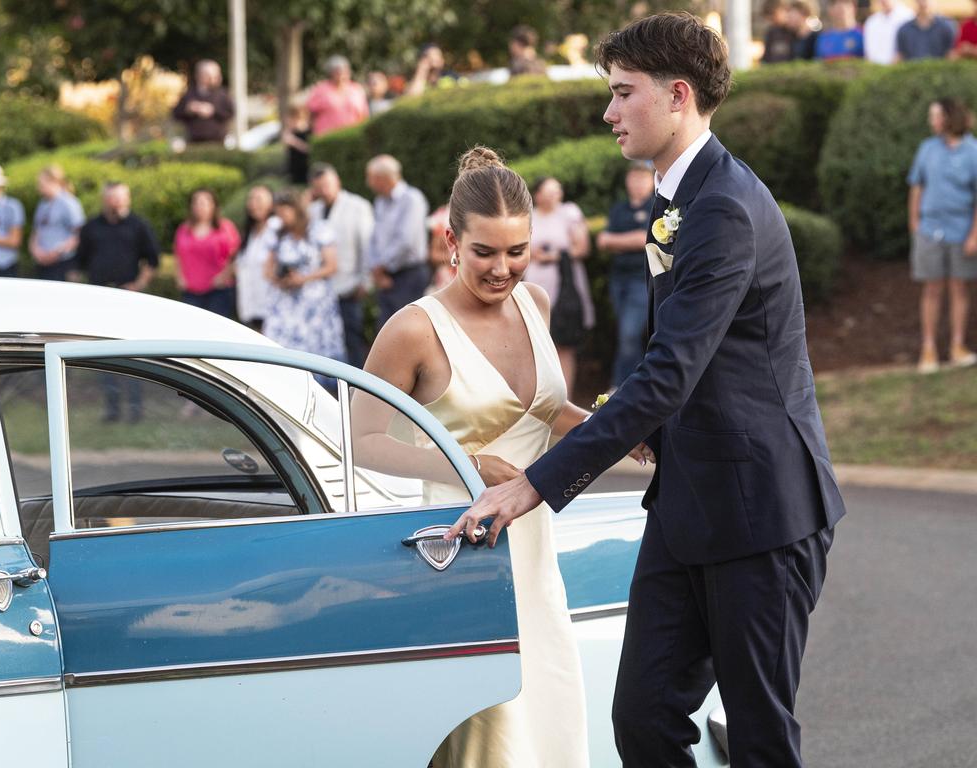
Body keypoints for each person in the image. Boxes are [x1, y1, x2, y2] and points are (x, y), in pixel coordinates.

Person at [455, 14, 846, 768]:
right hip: (689, 501)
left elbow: (672, 371)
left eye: (621, 93)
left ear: (677, 95)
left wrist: (534, 485)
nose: (608, 113)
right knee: (642, 718)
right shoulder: (678, 198)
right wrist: (648, 428)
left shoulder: (725, 207)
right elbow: (688, 366)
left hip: (762, 509)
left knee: (761, 741)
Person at [360, 146, 615, 768]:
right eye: (485, 252)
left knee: (550, 721)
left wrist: (615, 430)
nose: (503, 269)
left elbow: (542, 411)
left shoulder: (537, 305)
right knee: (491, 739)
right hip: (460, 554)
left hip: (535, 554)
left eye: (517, 251)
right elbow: (362, 440)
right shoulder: (414, 329)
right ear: (451, 240)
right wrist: (462, 464)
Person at [75, 182, 159, 422]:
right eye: (113, 198)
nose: (117, 203)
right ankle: (112, 409)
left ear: (128, 199)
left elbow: (152, 260)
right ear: (105, 200)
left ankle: (135, 409)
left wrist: (138, 285)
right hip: (99, 299)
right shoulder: (91, 227)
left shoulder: (138, 225)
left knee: (131, 353)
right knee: (103, 353)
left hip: (127, 298)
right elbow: (79, 264)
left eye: (121, 198)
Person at [907, 98, 977, 373]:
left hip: (961, 231)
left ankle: (958, 346)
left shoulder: (973, 151)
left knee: (960, 288)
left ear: (949, 118)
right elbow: (916, 187)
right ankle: (929, 348)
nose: (931, 120)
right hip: (929, 231)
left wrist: (974, 234)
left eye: (935, 115)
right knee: (932, 288)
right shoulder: (927, 149)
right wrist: (914, 224)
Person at [262, 191, 345, 380]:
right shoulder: (278, 234)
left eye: (285, 212)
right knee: (280, 344)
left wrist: (304, 278)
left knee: (315, 350)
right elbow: (267, 269)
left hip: (314, 303)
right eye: (278, 214)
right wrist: (280, 279)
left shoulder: (319, 230)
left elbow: (331, 266)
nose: (281, 217)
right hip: (285, 303)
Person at [527, 176, 595, 398]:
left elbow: (582, 247)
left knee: (564, 342)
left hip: (565, 283)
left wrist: (554, 256)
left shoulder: (569, 213)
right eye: (549, 192)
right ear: (537, 195)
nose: (555, 196)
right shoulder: (529, 216)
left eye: (557, 191)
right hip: (536, 282)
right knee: (536, 341)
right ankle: (539, 397)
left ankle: (564, 399)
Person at [308, 163, 374, 367]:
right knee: (324, 341)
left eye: (327, 185)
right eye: (319, 187)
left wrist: (366, 280)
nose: (324, 191)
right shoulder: (313, 210)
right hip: (320, 288)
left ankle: (358, 388)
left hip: (348, 284)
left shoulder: (358, 206)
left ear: (338, 182)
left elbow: (367, 245)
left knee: (352, 338)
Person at [598, 161, 655, 390]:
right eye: (634, 178)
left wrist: (619, 241)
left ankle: (622, 387)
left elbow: (646, 239)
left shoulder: (656, 206)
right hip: (618, 279)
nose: (638, 183)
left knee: (630, 335)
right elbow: (603, 241)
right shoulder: (619, 209)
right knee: (625, 335)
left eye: (643, 178)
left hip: (640, 280)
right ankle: (634, 386)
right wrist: (631, 240)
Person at [365, 154, 430, 328]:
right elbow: (375, 237)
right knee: (386, 329)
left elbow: (406, 240)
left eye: (370, 178)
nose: (368, 183)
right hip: (387, 275)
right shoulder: (380, 202)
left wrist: (381, 266)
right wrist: (376, 268)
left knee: (408, 329)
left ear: (382, 178)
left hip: (409, 275)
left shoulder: (412, 199)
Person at [173, 188, 240, 317]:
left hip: (218, 290)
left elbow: (236, 255)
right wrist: (179, 276)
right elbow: (178, 255)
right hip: (191, 291)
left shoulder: (225, 228)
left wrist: (225, 275)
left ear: (213, 206)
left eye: (204, 202)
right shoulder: (184, 229)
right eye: (196, 203)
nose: (200, 206)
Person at [30, 165, 86, 281]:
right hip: (43, 262)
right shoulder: (43, 204)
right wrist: (35, 250)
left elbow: (79, 233)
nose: (39, 187)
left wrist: (57, 252)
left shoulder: (68, 202)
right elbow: (37, 230)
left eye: (41, 183)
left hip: (62, 263)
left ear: (53, 181)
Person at [235, 185, 279, 332]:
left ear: (272, 203)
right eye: (251, 199)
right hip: (250, 307)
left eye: (259, 199)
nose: (254, 203)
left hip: (272, 307)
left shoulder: (277, 228)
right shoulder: (250, 233)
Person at [171, 59, 234, 144]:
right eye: (209, 76)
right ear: (199, 75)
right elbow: (175, 114)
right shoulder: (189, 94)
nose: (213, 79)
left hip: (218, 142)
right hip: (193, 142)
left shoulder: (223, 95)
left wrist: (213, 110)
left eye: (216, 75)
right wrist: (189, 109)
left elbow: (230, 113)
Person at [306, 56, 369, 137]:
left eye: (344, 71)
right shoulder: (321, 90)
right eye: (337, 72)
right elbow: (309, 112)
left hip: (352, 136)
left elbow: (364, 116)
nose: (341, 75)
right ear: (331, 73)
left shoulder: (357, 90)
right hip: (327, 137)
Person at [280, 102, 312, 186]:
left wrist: (294, 142)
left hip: (305, 169)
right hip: (294, 170)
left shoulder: (308, 132)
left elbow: (309, 149)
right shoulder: (292, 132)